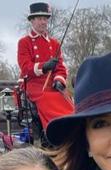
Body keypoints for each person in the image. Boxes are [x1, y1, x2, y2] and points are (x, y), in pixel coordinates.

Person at [17, 2, 74, 133]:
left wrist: (59, 80)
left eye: (45, 19)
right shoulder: (24, 42)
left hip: (52, 84)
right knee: (47, 98)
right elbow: (25, 67)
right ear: (32, 20)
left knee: (67, 98)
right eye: (39, 19)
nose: (43, 22)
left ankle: (73, 128)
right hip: (34, 85)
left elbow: (61, 67)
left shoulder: (54, 43)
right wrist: (44, 66)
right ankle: (55, 132)